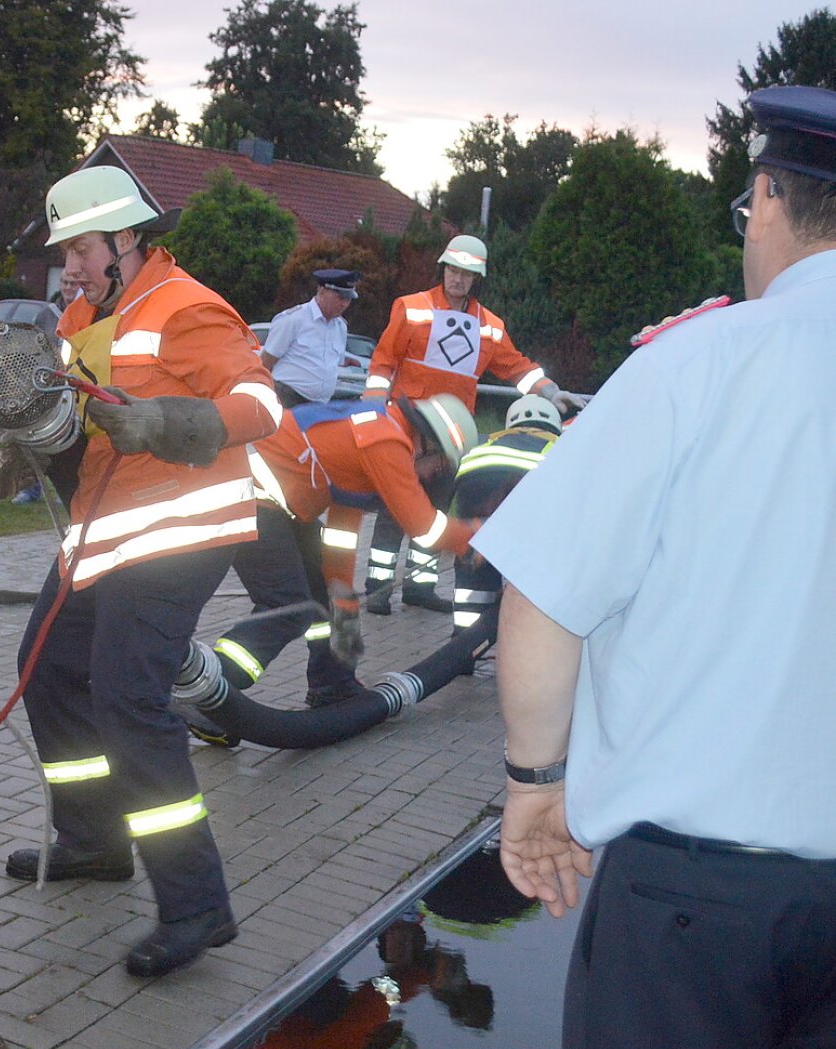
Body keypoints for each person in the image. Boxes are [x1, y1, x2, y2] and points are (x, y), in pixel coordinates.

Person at [476, 85, 836, 1049]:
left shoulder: (697, 363)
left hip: (694, 909)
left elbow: (547, 591)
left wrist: (535, 784)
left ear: (767, 196)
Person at [1, 166, 281, 978]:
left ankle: (197, 905)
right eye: (65, 253)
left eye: (82, 249)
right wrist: (6, 456)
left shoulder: (187, 307)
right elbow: (71, 415)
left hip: (182, 535)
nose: (71, 268)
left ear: (127, 239)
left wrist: (161, 420)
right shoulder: (86, 314)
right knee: (47, 671)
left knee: (129, 702)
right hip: (105, 532)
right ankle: (92, 839)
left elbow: (261, 408)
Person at [362, 235, 587, 615]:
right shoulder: (411, 308)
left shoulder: (490, 327)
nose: (458, 280)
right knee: (395, 508)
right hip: (408, 426)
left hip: (452, 437)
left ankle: (420, 586)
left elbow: (515, 367)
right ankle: (378, 588)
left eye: (467, 274)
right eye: (453, 270)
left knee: (435, 512)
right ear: (443, 269)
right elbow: (383, 361)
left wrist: (551, 393)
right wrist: (374, 408)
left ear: (476, 278)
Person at [212, 393, 479, 708]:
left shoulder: (377, 435)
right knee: (289, 607)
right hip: (246, 495)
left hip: (271, 504)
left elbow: (342, 528)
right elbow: (423, 526)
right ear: (428, 444)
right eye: (440, 465)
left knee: (325, 603)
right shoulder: (385, 439)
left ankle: (332, 685)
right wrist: (473, 539)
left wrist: (340, 589)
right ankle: (208, 690)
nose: (434, 476)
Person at [446, 394, 560, 635]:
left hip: (473, 486)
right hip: (528, 493)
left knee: (476, 558)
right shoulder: (560, 445)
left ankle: (464, 641)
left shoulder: (487, 441)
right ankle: (526, 636)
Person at [261, 267, 360, 407]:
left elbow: (330, 362)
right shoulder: (294, 319)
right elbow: (266, 361)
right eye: (340, 297)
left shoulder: (340, 327)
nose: (344, 304)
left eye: (348, 299)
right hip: (287, 398)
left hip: (321, 405)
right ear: (322, 291)